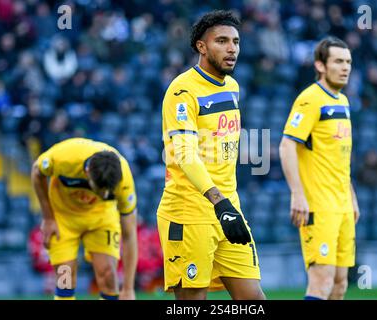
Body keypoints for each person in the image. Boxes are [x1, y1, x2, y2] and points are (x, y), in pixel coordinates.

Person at [157, 10, 265, 300]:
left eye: (236, 41)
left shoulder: (232, 87)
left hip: (229, 210)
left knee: (254, 300)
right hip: (190, 213)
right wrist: (219, 202)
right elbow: (184, 154)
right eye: (221, 41)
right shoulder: (182, 91)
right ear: (201, 47)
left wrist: (228, 205)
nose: (232, 48)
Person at [279, 36, 360, 300]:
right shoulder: (310, 99)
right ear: (321, 65)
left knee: (339, 284)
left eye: (348, 61)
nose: (345, 67)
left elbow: (339, 157)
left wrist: (352, 196)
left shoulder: (343, 102)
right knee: (321, 282)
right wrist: (297, 194)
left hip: (343, 205)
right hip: (319, 206)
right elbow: (287, 146)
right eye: (338, 61)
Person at [31, 137, 138, 300]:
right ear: (87, 172)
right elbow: (36, 172)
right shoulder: (64, 157)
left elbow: (130, 235)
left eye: (108, 191)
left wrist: (129, 289)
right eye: (100, 189)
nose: (105, 195)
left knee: (108, 276)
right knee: (65, 277)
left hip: (101, 219)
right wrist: (48, 218)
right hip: (64, 218)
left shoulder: (124, 179)